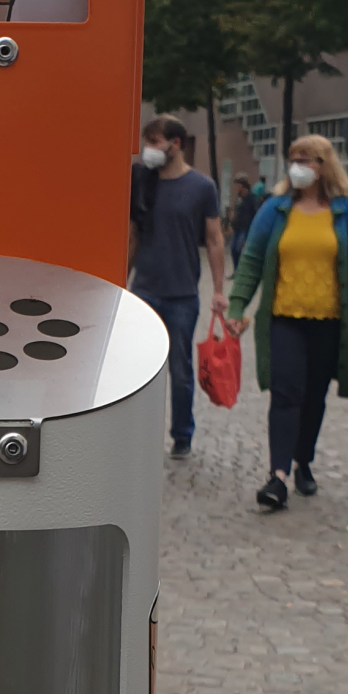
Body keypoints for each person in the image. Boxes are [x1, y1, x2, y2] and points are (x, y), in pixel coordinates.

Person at [226, 132, 348, 511]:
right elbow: (251, 260)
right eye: (292, 159)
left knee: (314, 397)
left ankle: (303, 461)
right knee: (285, 393)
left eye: (304, 160)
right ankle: (277, 476)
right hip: (284, 319)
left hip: (329, 322)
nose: (296, 167)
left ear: (323, 166)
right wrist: (237, 307)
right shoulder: (275, 209)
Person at [129, 116, 228, 458]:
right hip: (144, 290)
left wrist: (218, 290)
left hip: (182, 294)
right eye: (147, 142)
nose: (149, 149)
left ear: (176, 145)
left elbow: (214, 240)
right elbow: (133, 236)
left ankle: (182, 436)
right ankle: (138, 433)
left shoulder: (202, 187)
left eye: (155, 142)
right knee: (138, 370)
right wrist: (121, 282)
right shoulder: (142, 182)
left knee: (180, 370)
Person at [229, 176, 256, 269]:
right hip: (237, 227)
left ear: (242, 185)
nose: (236, 187)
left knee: (239, 249)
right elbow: (236, 208)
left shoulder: (251, 197)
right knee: (233, 249)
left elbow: (254, 213)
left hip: (246, 228)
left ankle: (241, 269)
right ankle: (236, 269)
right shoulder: (239, 197)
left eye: (237, 184)